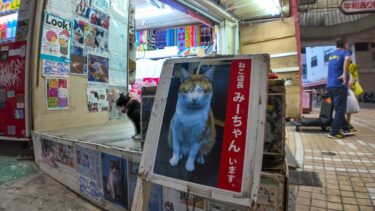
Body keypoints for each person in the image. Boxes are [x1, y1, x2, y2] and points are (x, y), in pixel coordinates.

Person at [326, 37, 353, 139]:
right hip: (339, 85)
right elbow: (347, 59)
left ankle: (346, 127)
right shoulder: (345, 52)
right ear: (345, 44)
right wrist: (344, 74)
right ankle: (334, 132)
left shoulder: (331, 55)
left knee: (338, 109)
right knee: (340, 110)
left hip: (330, 86)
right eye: (348, 44)